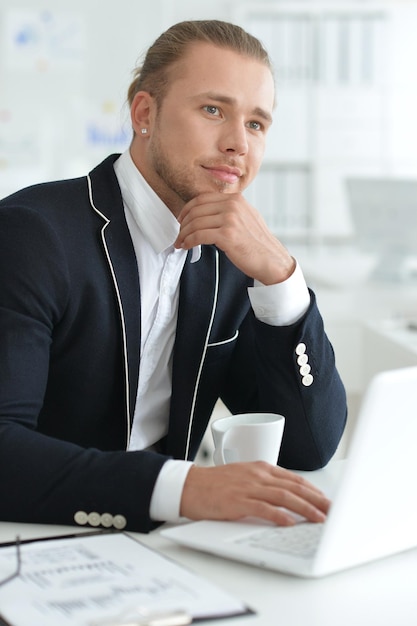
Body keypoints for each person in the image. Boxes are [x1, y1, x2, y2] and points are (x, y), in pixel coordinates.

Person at [0, 20, 347, 533]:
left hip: (165, 551)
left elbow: (309, 445)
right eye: (213, 110)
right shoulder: (33, 233)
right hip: (35, 542)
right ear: (145, 113)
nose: (238, 144)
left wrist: (281, 277)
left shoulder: (232, 257)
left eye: (256, 124)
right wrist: (185, 487)